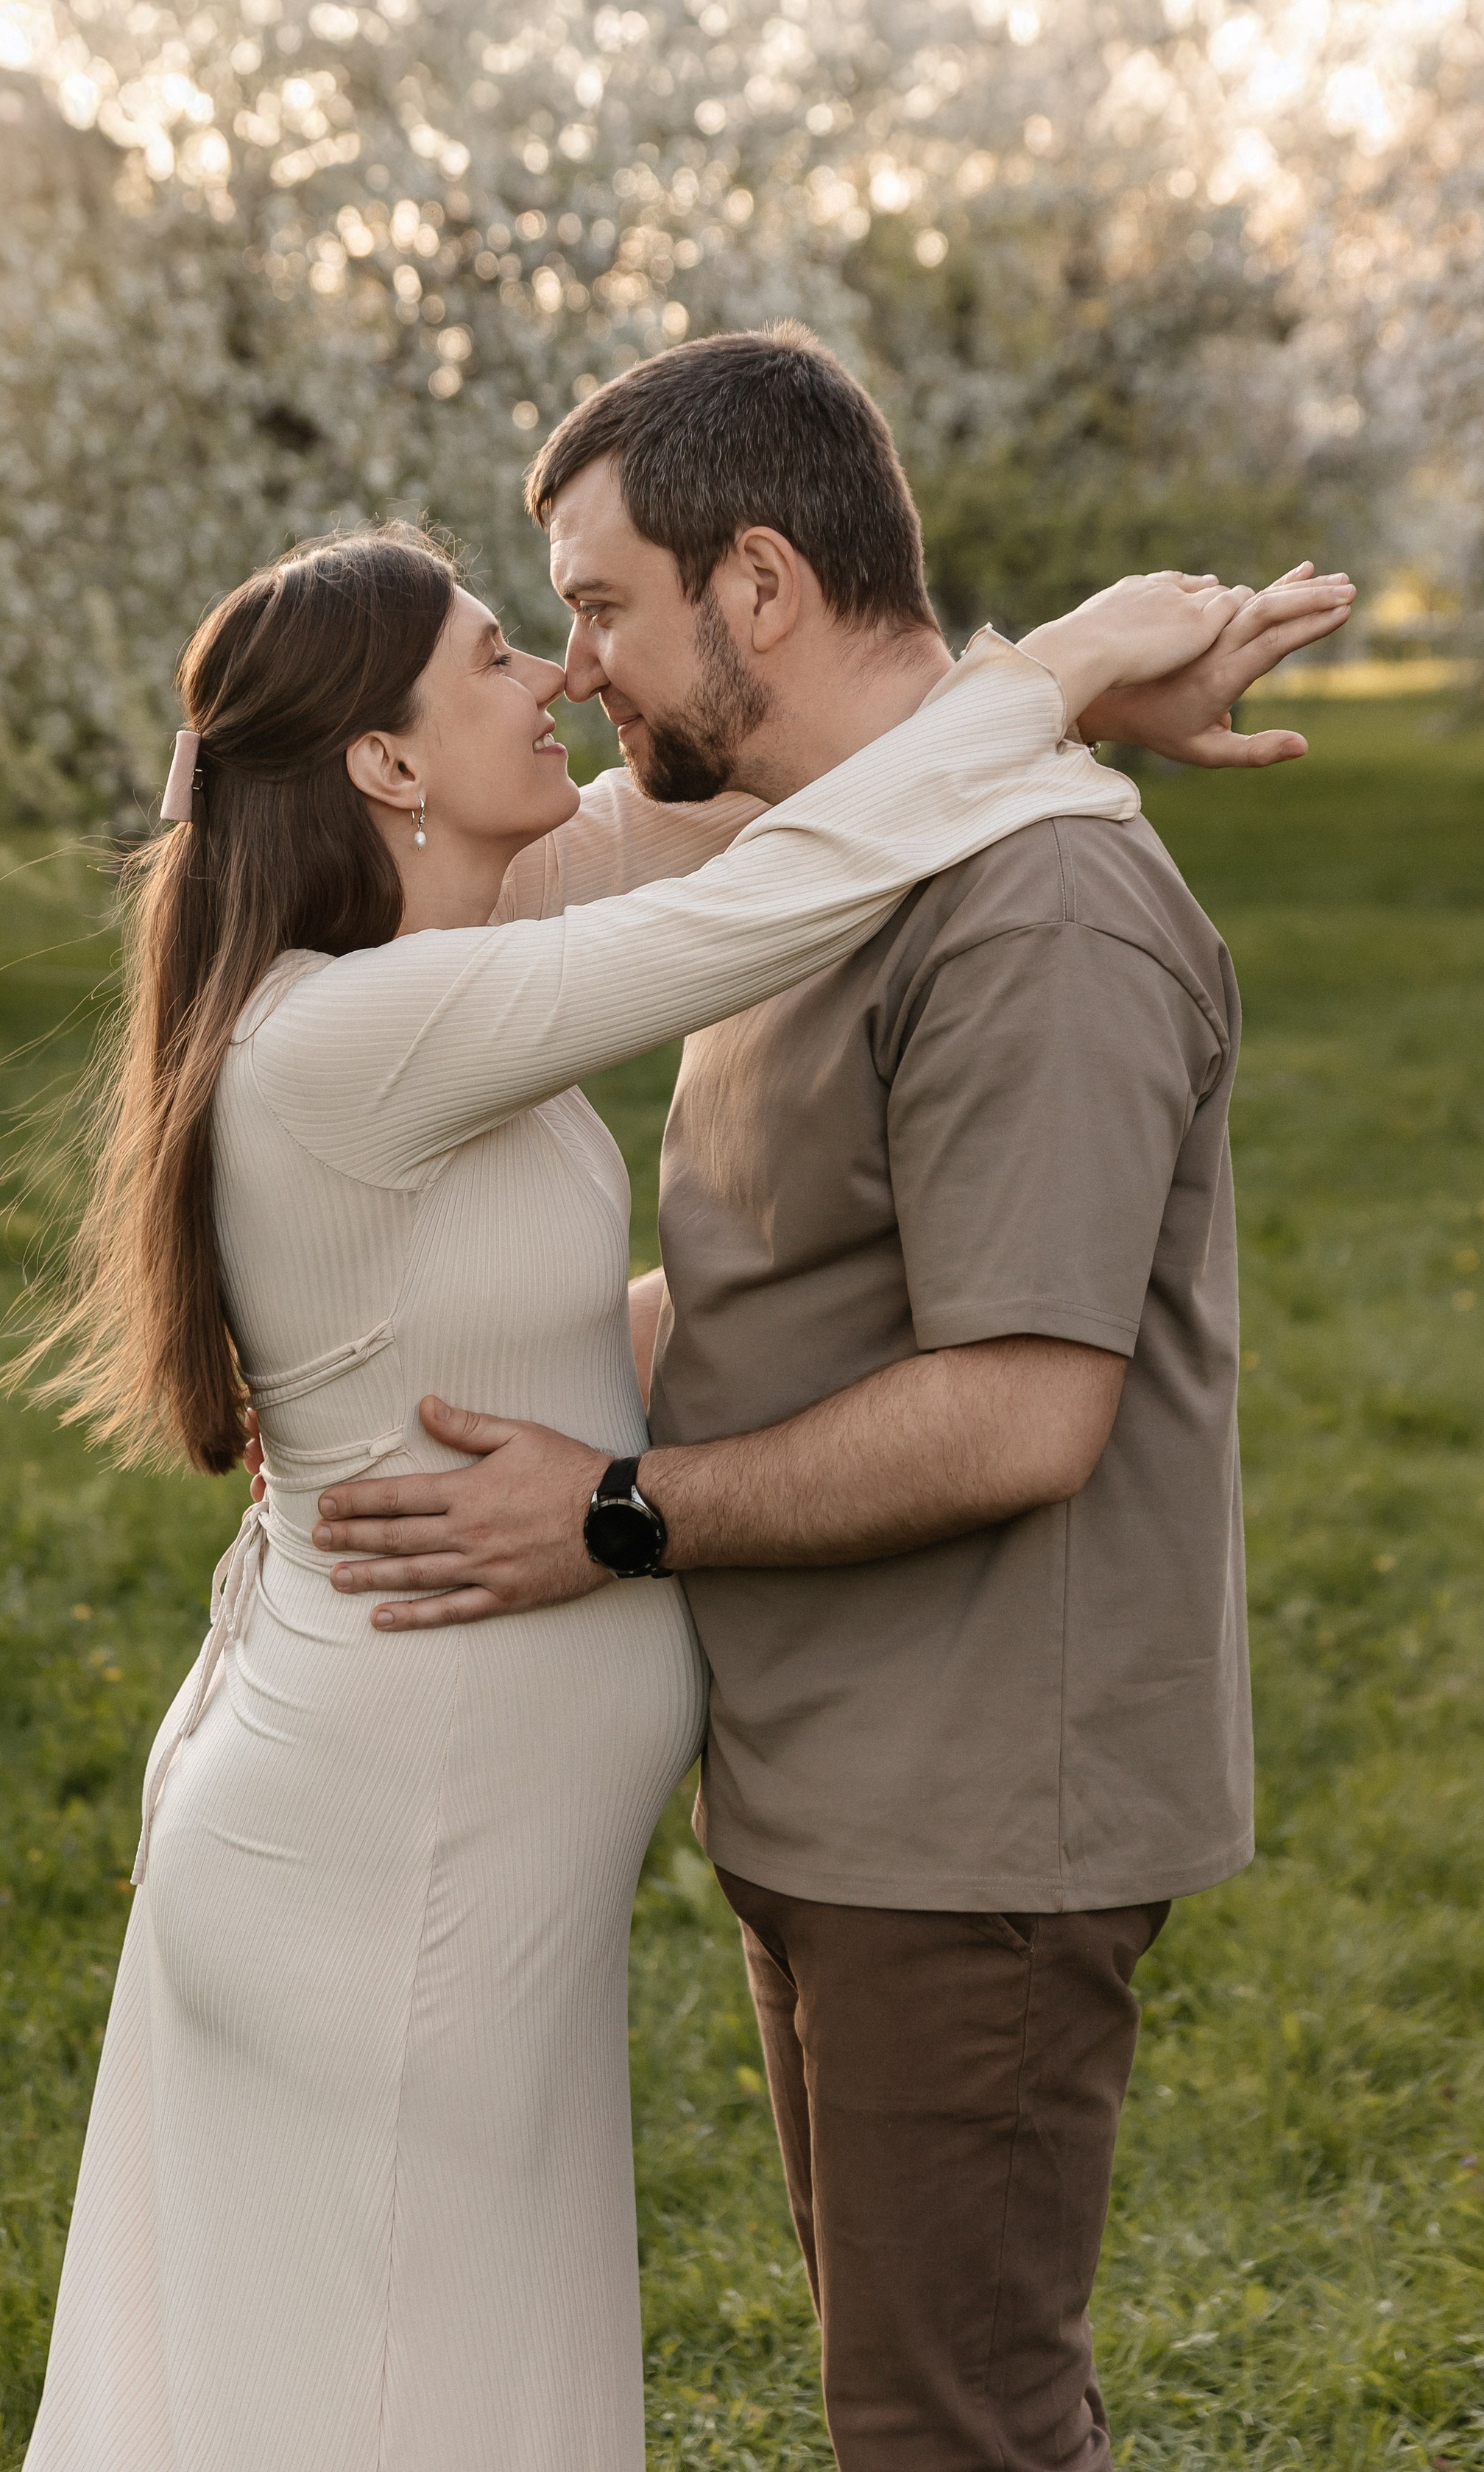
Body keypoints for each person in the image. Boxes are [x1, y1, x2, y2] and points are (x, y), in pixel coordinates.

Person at [10, 502, 1314, 2472]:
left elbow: (782, 808)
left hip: (449, 1845)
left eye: (571, 621)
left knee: (433, 2384)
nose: (559, 671)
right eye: (498, 655)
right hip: (389, 1854)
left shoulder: (425, 955)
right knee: (380, 2402)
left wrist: (1061, 713)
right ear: (385, 766)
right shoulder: (364, 1026)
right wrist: (1054, 665)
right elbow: (768, 900)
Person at [311, 329, 1357, 2472]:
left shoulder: (1036, 902)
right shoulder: (798, 863)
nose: (580, 668)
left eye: (602, 605)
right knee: (918, 2408)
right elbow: (771, 1283)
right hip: (838, 1776)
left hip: (977, 1809)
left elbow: (1020, 1412)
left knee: (951, 2431)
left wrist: (610, 1512)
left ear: (761, 585)